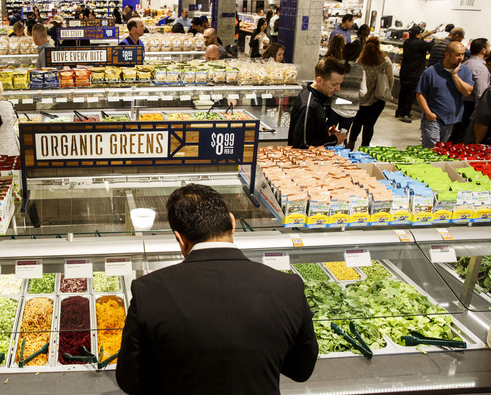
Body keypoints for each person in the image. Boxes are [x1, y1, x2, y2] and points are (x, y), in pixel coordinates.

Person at [116, 183, 318, 394]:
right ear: (232, 223)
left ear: (180, 239)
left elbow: (131, 381)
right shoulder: (288, 287)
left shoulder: (147, 292)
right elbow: (301, 370)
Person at [417, 41, 474, 147]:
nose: (461, 58)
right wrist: (429, 113)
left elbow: (467, 91)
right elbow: (420, 94)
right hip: (433, 119)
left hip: (452, 120)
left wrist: (455, 76)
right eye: (458, 55)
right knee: (432, 151)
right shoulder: (431, 72)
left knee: (443, 151)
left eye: (463, 54)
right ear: (447, 54)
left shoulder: (465, 70)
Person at [287, 57, 348, 148]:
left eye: (340, 84)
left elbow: (310, 132)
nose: (338, 89)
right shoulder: (308, 105)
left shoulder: (317, 98)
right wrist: (334, 140)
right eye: (334, 84)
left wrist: (324, 130)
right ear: (319, 80)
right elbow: (302, 145)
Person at [347, 37, 394, 150]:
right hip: (377, 99)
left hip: (360, 99)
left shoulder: (360, 60)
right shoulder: (385, 61)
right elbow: (390, 80)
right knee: (369, 125)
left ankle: (351, 144)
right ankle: (364, 148)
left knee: (357, 123)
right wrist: (387, 92)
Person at [452, 38, 490, 143]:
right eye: (488, 46)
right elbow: (481, 94)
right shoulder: (481, 68)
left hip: (459, 104)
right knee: (465, 138)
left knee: (456, 134)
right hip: (471, 107)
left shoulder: (465, 63)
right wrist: (478, 114)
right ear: (483, 50)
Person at [327, 42, 366, 144]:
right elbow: (363, 91)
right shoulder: (361, 70)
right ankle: (342, 155)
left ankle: (325, 153)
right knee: (343, 135)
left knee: (329, 133)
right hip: (351, 109)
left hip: (336, 106)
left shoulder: (337, 66)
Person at [396, 26, 435, 123]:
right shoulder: (420, 44)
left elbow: (420, 42)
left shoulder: (407, 42)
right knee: (411, 93)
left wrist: (427, 34)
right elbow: (431, 45)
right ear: (417, 34)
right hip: (414, 73)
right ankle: (405, 113)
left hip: (404, 71)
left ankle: (399, 111)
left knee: (403, 92)